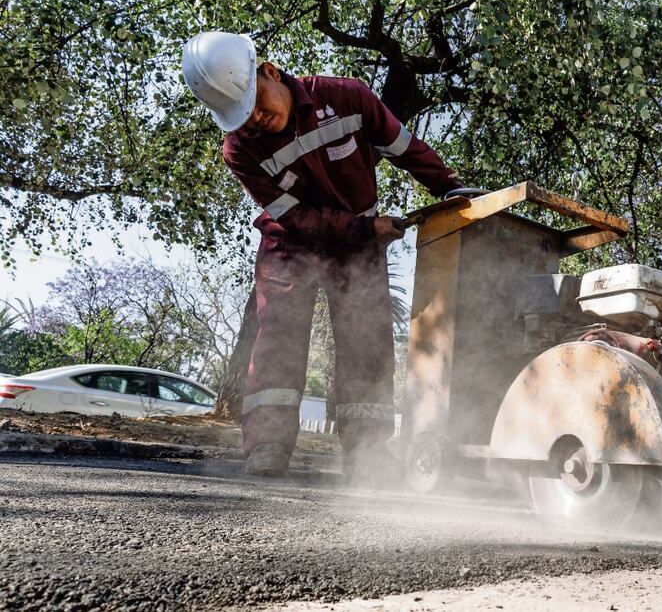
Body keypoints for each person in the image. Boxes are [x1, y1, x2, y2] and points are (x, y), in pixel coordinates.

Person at [181, 31, 462, 477]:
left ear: (270, 72)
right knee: (278, 337)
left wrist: (449, 188)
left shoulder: (348, 98)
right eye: (242, 117)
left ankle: (366, 453)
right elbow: (295, 217)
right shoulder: (239, 149)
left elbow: (406, 148)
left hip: (360, 241)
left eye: (256, 104)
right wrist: (366, 227)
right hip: (290, 243)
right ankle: (268, 446)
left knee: (367, 339)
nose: (254, 119)